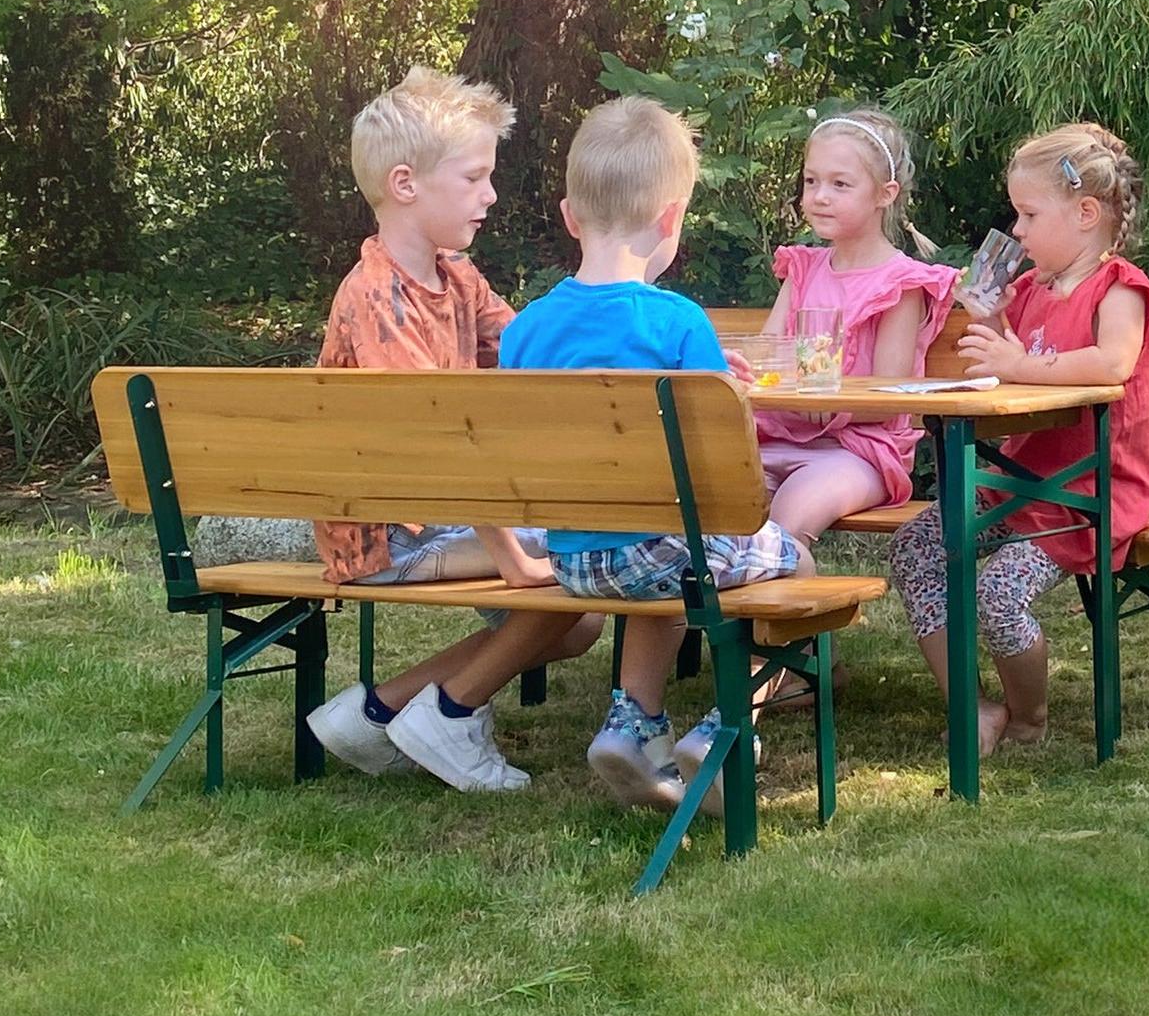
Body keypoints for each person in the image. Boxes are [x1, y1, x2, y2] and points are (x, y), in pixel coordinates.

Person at [284, 66, 604, 794]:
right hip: (384, 533)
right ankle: (452, 714)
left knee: (578, 624)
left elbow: (532, 358)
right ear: (406, 185)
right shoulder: (377, 299)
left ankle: (375, 711)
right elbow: (449, 448)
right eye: (474, 177)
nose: (490, 194)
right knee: (583, 573)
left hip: (429, 515)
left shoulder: (456, 278)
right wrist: (517, 561)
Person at [497, 95, 812, 811]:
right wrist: (721, 397)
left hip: (575, 561)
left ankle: (633, 723)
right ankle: (730, 725)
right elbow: (725, 473)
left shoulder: (526, 330)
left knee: (664, 558)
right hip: (662, 554)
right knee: (791, 559)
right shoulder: (677, 321)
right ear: (671, 219)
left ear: (570, 216)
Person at [890, 122, 1149, 756]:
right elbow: (1002, 372)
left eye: (1028, 213)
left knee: (996, 592)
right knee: (916, 545)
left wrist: (1021, 366)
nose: (1015, 231)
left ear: (1086, 213)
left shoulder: (1118, 287)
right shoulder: (1030, 291)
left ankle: (1029, 716)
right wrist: (986, 317)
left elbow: (1111, 365)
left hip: (1087, 494)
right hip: (1010, 485)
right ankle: (972, 704)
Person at [741, 108, 956, 712]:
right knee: (717, 507)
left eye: (840, 184)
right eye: (811, 181)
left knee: (782, 533)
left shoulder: (902, 281)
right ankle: (802, 663)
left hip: (859, 449)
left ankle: (755, 692)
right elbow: (770, 353)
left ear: (885, 194)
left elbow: (887, 393)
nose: (820, 196)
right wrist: (770, 380)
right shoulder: (804, 266)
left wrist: (824, 409)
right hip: (783, 436)